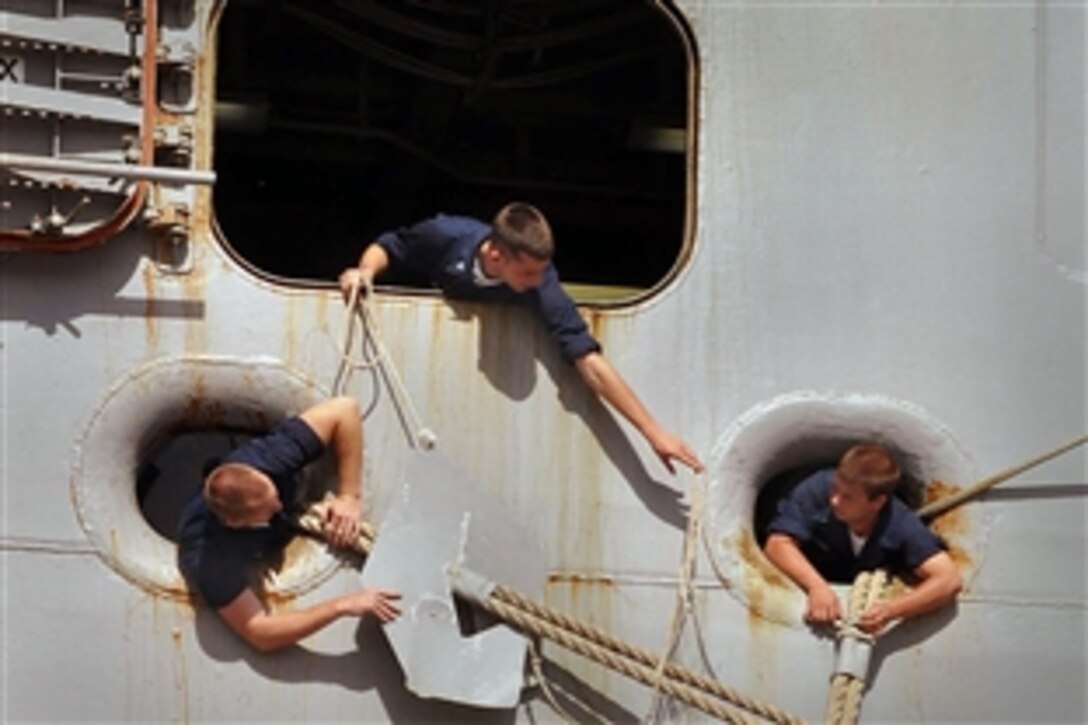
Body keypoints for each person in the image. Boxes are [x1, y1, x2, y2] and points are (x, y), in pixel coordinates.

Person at [338, 202, 703, 474]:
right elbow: (390, 245)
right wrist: (364, 271)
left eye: (541, 271)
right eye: (527, 272)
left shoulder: (542, 285)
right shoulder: (446, 235)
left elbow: (588, 362)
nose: (535, 280)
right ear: (496, 255)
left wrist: (654, 433)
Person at [177, 396, 401, 652]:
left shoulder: (266, 459)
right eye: (268, 509)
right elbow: (260, 633)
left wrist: (349, 496)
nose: (279, 506)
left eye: (274, 497)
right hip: (253, 545)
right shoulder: (207, 554)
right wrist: (342, 606)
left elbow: (345, 408)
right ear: (235, 523)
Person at [763, 443, 962, 634]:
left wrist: (892, 610)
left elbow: (948, 580)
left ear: (877, 502)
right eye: (835, 489)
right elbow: (778, 544)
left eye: (847, 497)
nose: (834, 500)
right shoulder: (817, 489)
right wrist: (817, 587)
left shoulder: (901, 524)